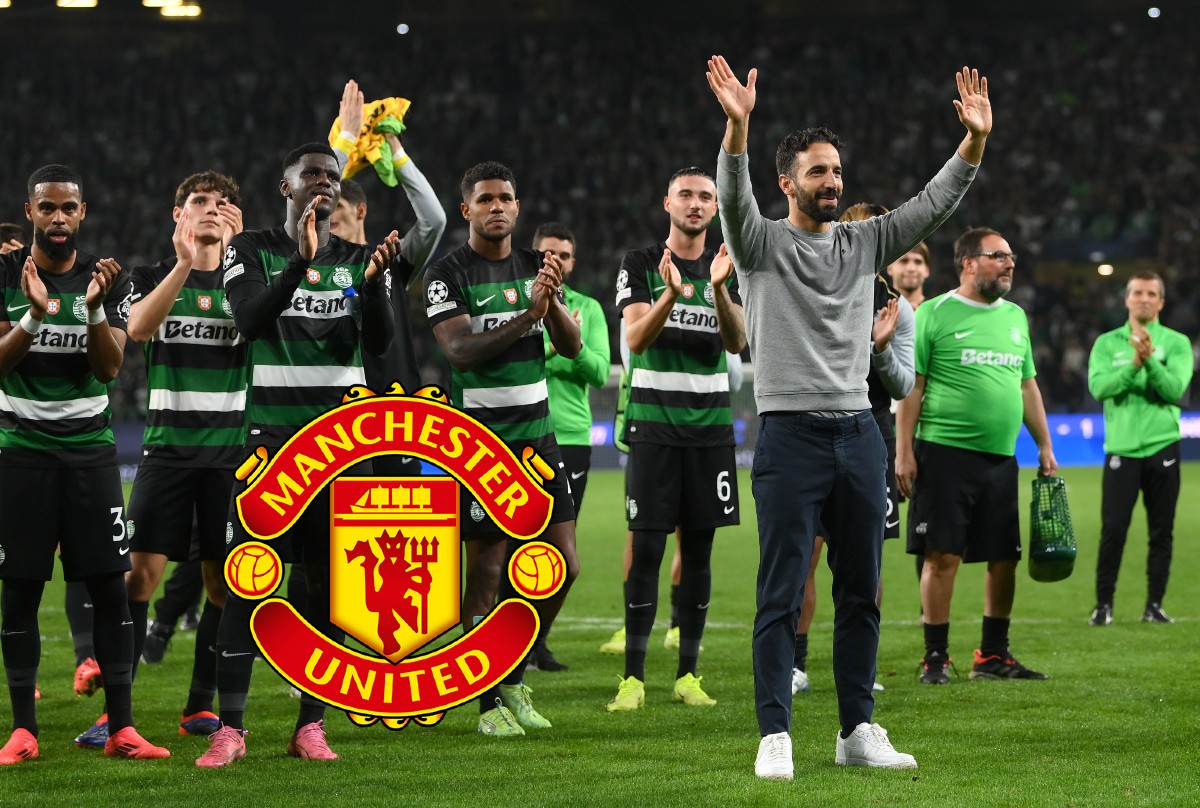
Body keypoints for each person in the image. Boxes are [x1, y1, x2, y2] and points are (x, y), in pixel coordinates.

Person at [708, 55, 990, 778]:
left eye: (837, 171)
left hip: (857, 434)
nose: (832, 182)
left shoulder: (864, 243)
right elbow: (733, 196)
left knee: (861, 589)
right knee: (781, 590)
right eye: (817, 173)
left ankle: (856, 728)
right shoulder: (760, 244)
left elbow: (932, 206)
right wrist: (737, 127)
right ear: (786, 183)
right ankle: (775, 732)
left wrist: (973, 145)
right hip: (789, 434)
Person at [197, 137, 399, 767]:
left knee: (328, 584)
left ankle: (311, 724)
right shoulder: (250, 249)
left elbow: (382, 345)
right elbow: (250, 320)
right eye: (310, 174)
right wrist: (299, 265)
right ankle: (231, 728)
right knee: (250, 579)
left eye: (331, 176)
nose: (323, 183)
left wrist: (371, 289)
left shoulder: (361, 258)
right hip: (271, 449)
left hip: (342, 450)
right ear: (286, 188)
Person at [0, 164, 169, 763]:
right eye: (47, 208)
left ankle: (121, 728)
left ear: (83, 213)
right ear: (30, 213)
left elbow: (108, 368)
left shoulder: (108, 279)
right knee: (18, 591)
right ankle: (23, 731)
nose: (58, 219)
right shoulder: (4, 275)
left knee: (109, 591)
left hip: (91, 458)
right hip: (21, 458)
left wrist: (94, 311)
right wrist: (35, 314)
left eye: (68, 208)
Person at [74, 171, 246, 749]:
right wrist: (183, 264)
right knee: (140, 578)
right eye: (199, 202)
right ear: (178, 214)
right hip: (167, 453)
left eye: (222, 204)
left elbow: (262, 328)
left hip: (230, 457)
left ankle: (200, 705)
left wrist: (236, 260)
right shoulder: (149, 278)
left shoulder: (248, 283)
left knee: (223, 585)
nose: (210, 211)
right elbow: (139, 331)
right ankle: (114, 713)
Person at [424, 161, 581, 737]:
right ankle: (487, 702)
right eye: (486, 199)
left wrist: (553, 303)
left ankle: (512, 677)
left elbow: (571, 346)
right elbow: (461, 352)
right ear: (466, 209)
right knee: (486, 570)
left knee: (561, 566)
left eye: (507, 198)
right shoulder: (448, 274)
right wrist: (528, 315)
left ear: (518, 207)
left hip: (539, 438)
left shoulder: (534, 268)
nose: (498, 206)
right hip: (480, 445)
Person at [605, 167, 745, 713]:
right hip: (654, 428)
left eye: (706, 196)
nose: (696, 203)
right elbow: (636, 337)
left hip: (710, 431)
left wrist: (715, 289)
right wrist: (670, 295)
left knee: (701, 552)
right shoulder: (640, 264)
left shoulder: (728, 267)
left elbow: (737, 342)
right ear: (667, 201)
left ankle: (689, 673)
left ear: (715, 207)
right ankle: (632, 678)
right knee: (647, 548)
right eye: (686, 194)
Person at [896, 226, 1058, 687]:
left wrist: (1045, 444)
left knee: (1003, 557)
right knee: (941, 556)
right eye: (998, 256)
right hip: (944, 454)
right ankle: (935, 657)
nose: (1009, 264)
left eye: (1011, 257)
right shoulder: (934, 313)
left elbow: (1027, 385)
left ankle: (992, 654)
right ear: (968, 263)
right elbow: (914, 386)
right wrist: (904, 452)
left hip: (1001, 457)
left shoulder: (1016, 317)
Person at [792, 202, 915, 697]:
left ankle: (862, 664)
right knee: (805, 553)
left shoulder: (894, 307)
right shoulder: (811, 288)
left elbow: (904, 384)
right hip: (812, 430)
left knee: (866, 560)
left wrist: (879, 349)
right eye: (851, 231)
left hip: (871, 434)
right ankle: (796, 664)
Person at [1087, 271, 1192, 626]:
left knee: (1161, 531)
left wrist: (1147, 360)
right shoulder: (1106, 343)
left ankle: (1154, 605)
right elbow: (1100, 388)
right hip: (1121, 448)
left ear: (1161, 301)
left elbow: (1175, 390)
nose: (1144, 299)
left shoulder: (1177, 343)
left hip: (1163, 445)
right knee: (1113, 529)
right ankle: (1103, 605)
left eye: (1151, 293)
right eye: (1137, 293)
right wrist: (1137, 363)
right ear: (1127, 299)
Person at [531, 222, 610, 672]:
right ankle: (512, 640)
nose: (556, 260)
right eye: (548, 252)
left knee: (559, 554)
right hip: (523, 432)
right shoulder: (519, 298)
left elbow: (599, 372)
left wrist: (565, 346)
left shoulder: (590, 309)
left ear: (573, 263)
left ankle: (537, 641)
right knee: (508, 545)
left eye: (563, 254)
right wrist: (564, 343)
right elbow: (511, 360)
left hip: (572, 438)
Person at [886, 242, 932, 309]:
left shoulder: (937, 312)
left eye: (918, 262)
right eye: (904, 261)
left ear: (927, 270)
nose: (911, 268)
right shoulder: (874, 311)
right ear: (890, 268)